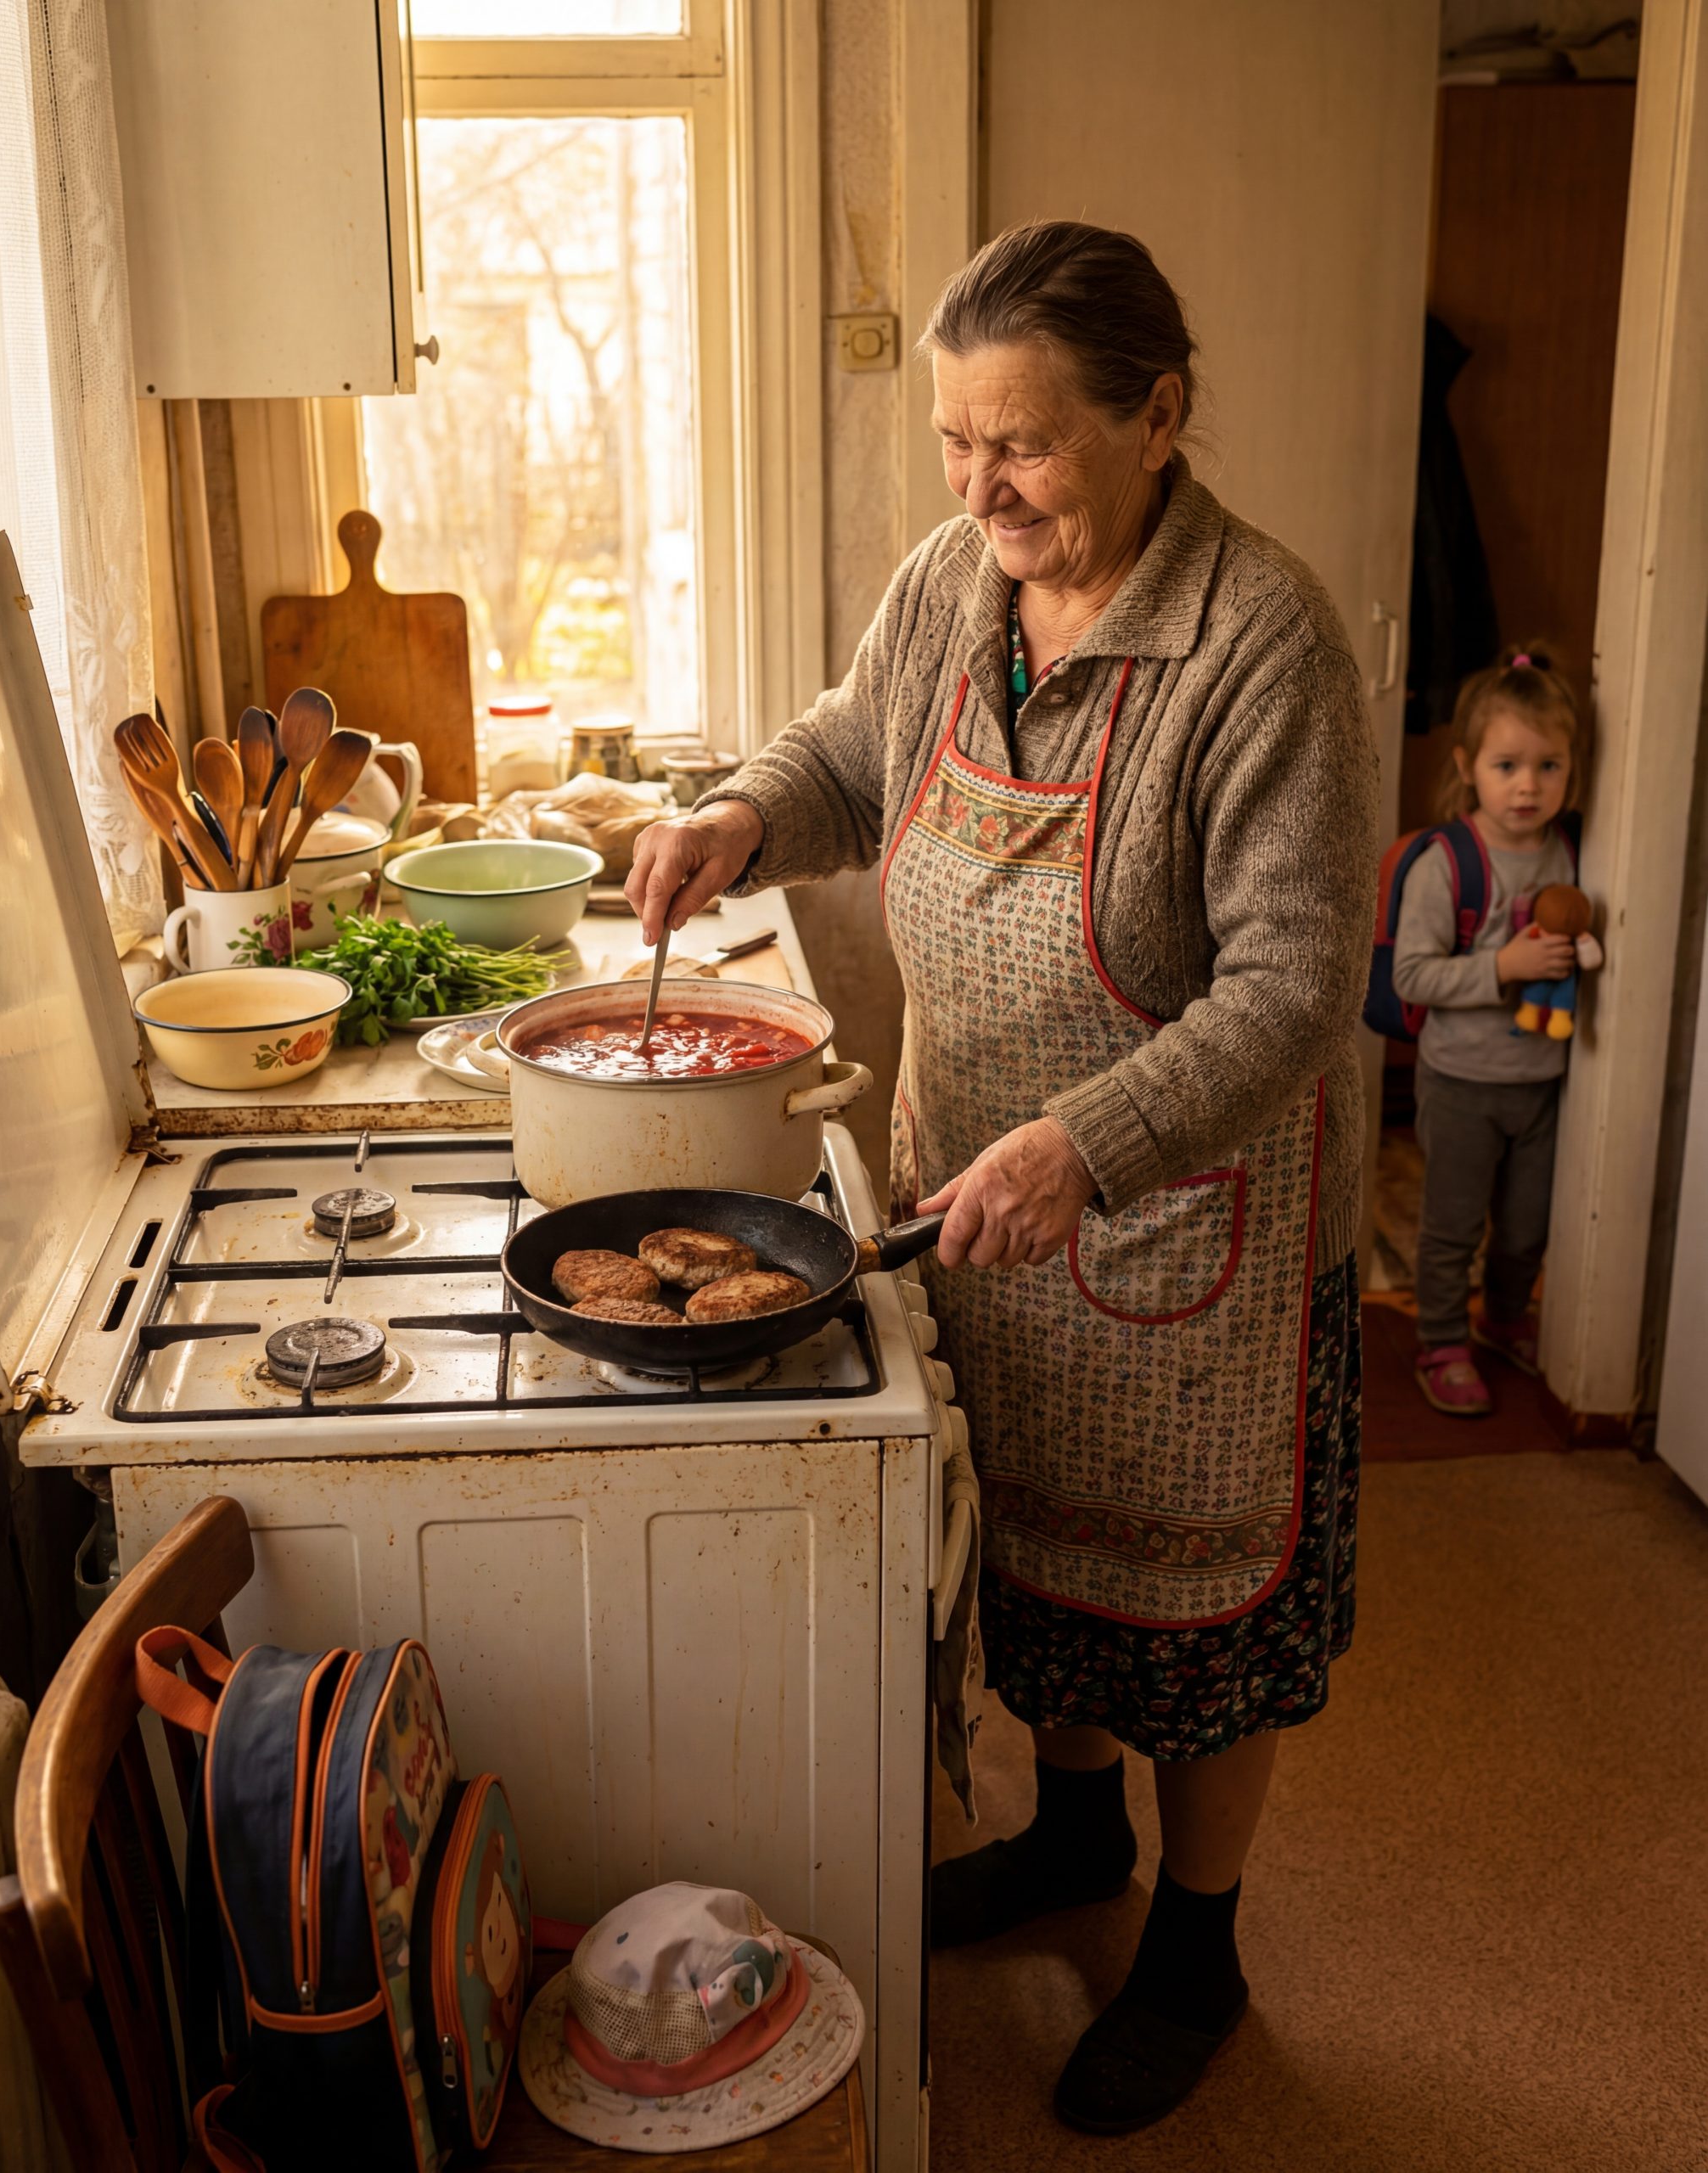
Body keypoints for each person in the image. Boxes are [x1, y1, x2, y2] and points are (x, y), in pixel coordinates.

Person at [626, 220, 1378, 2137]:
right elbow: (850, 753)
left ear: (1156, 417)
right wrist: (736, 811)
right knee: (1027, 1558)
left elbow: (1294, 981)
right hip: (974, 1186)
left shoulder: (1256, 639)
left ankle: (1195, 1942)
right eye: (957, 442)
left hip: (1181, 1220)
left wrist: (1095, 1140)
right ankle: (1067, 1839)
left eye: (1023, 445)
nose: (980, 486)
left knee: (1196, 1624)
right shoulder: (954, 585)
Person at [1391, 649, 1598, 1416]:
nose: (1528, 785)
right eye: (1507, 764)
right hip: (1460, 1083)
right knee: (1451, 1226)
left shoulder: (1576, 852)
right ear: (1467, 765)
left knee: (1527, 1226)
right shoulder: (1449, 863)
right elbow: (1413, 976)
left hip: (1545, 1083)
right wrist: (1503, 966)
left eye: (1549, 766)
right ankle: (1441, 1339)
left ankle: (1505, 1317)